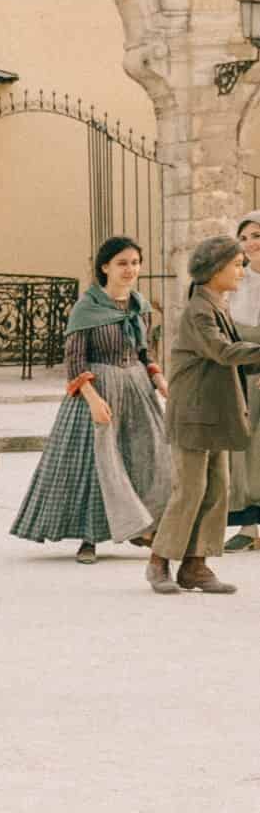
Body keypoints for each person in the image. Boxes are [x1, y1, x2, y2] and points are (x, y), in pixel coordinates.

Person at [8, 236, 169, 562]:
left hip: (136, 390)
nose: (130, 269)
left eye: (135, 263)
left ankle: (142, 528)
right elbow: (75, 361)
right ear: (105, 267)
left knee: (147, 458)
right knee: (94, 466)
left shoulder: (140, 306)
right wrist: (93, 399)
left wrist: (158, 378)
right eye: (122, 263)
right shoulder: (86, 308)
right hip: (97, 390)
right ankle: (88, 539)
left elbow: (143, 352)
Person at [145, 234, 260, 595]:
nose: (242, 271)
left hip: (215, 412)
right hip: (194, 415)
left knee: (218, 490)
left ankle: (196, 565)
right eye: (236, 265)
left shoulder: (217, 304)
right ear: (214, 271)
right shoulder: (199, 310)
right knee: (191, 490)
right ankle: (160, 560)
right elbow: (223, 351)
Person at [224, 210, 260, 553]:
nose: (250, 244)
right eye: (245, 237)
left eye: (257, 236)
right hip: (241, 375)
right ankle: (250, 526)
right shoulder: (236, 280)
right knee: (245, 449)